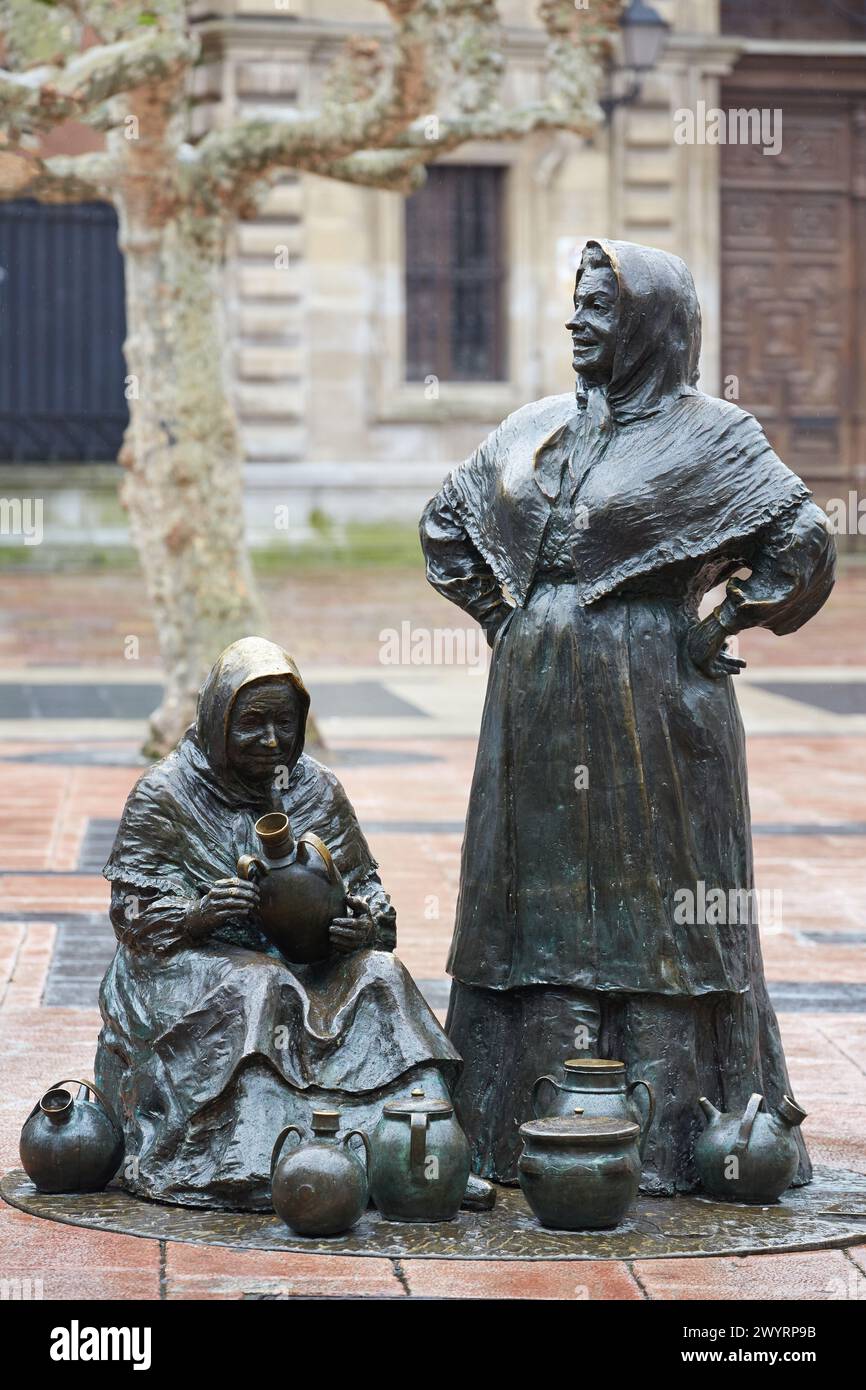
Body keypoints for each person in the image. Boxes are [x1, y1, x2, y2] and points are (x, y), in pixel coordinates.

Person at [420, 238, 836, 1191]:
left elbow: (802, 542)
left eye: (599, 310)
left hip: (655, 698)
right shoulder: (531, 426)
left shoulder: (716, 435)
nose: (577, 322)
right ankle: (508, 1124)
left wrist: (723, 618)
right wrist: (506, 619)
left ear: (649, 326)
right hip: (535, 698)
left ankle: (667, 1136)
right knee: (530, 894)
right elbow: (446, 524)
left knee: (662, 900)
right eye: (575, 305)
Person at [96, 637, 464, 1210]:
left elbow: (367, 891)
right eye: (252, 724)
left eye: (284, 725)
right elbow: (131, 912)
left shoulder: (316, 787)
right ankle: (253, 1161)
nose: (272, 741)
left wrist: (364, 927)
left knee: (383, 976)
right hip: (189, 965)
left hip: (307, 961)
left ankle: (422, 1159)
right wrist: (196, 916)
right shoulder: (165, 793)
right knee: (260, 983)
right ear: (219, 721)